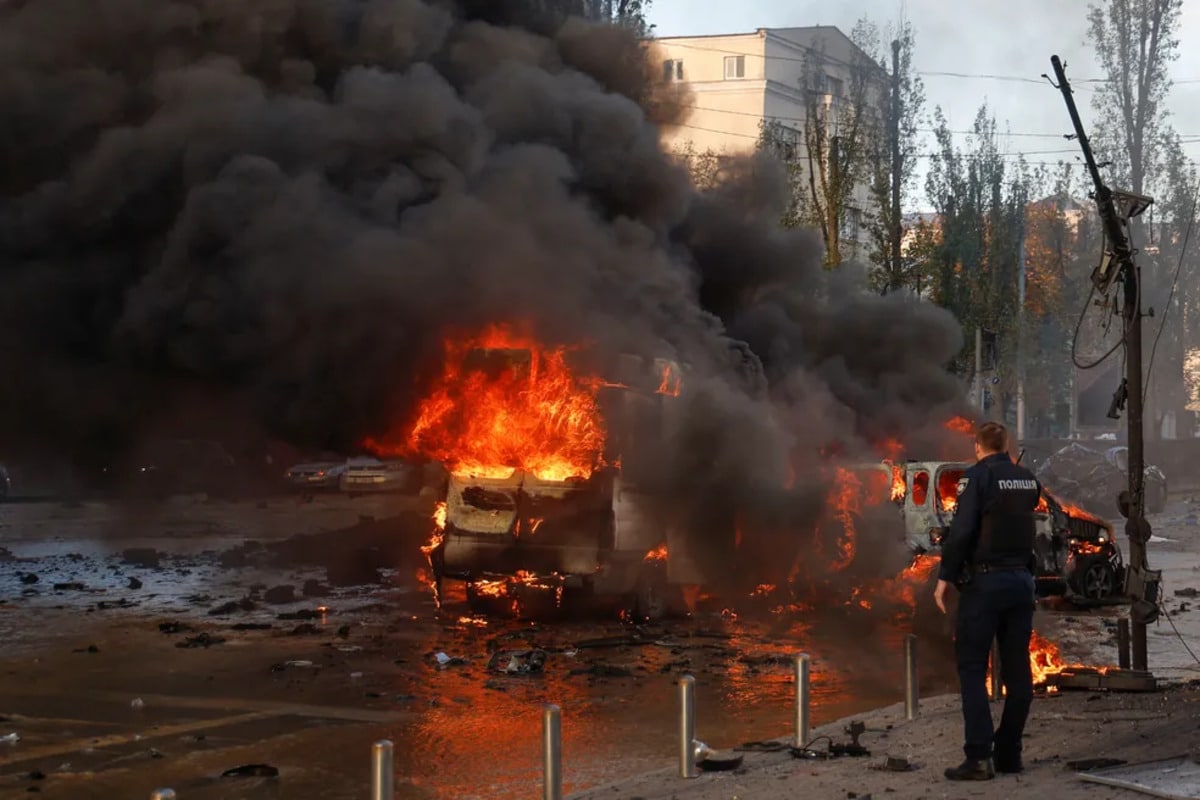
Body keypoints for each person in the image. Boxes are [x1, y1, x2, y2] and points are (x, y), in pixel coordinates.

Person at [933, 421, 1041, 781]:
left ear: (978, 447)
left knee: (972, 668)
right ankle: (1010, 753)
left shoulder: (976, 478)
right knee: (1018, 672)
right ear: (1006, 444)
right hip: (1022, 583)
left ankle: (979, 757)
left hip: (986, 583)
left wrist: (945, 577)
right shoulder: (1027, 478)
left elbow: (963, 531)